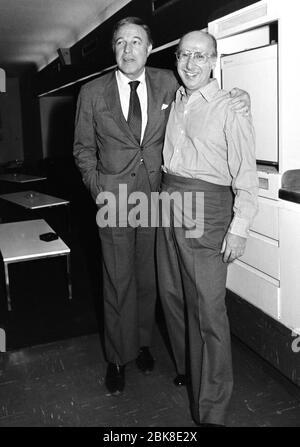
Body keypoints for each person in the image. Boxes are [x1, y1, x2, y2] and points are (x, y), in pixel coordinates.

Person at [73, 16, 250, 396]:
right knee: (116, 280)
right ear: (114, 49)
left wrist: (241, 96)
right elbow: (83, 150)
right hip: (114, 200)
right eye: (121, 43)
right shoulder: (91, 92)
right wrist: (97, 186)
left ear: (150, 49)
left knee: (149, 279)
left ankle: (141, 345)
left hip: (160, 200)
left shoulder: (169, 81)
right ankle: (117, 358)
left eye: (136, 42)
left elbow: (205, 93)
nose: (128, 50)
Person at [157, 31, 258, 426]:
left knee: (209, 312)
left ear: (215, 60)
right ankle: (192, 372)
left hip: (209, 209)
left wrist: (240, 227)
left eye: (201, 56)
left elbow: (245, 175)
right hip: (168, 202)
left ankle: (212, 410)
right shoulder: (176, 97)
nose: (191, 63)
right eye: (184, 55)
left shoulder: (231, 106)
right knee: (173, 298)